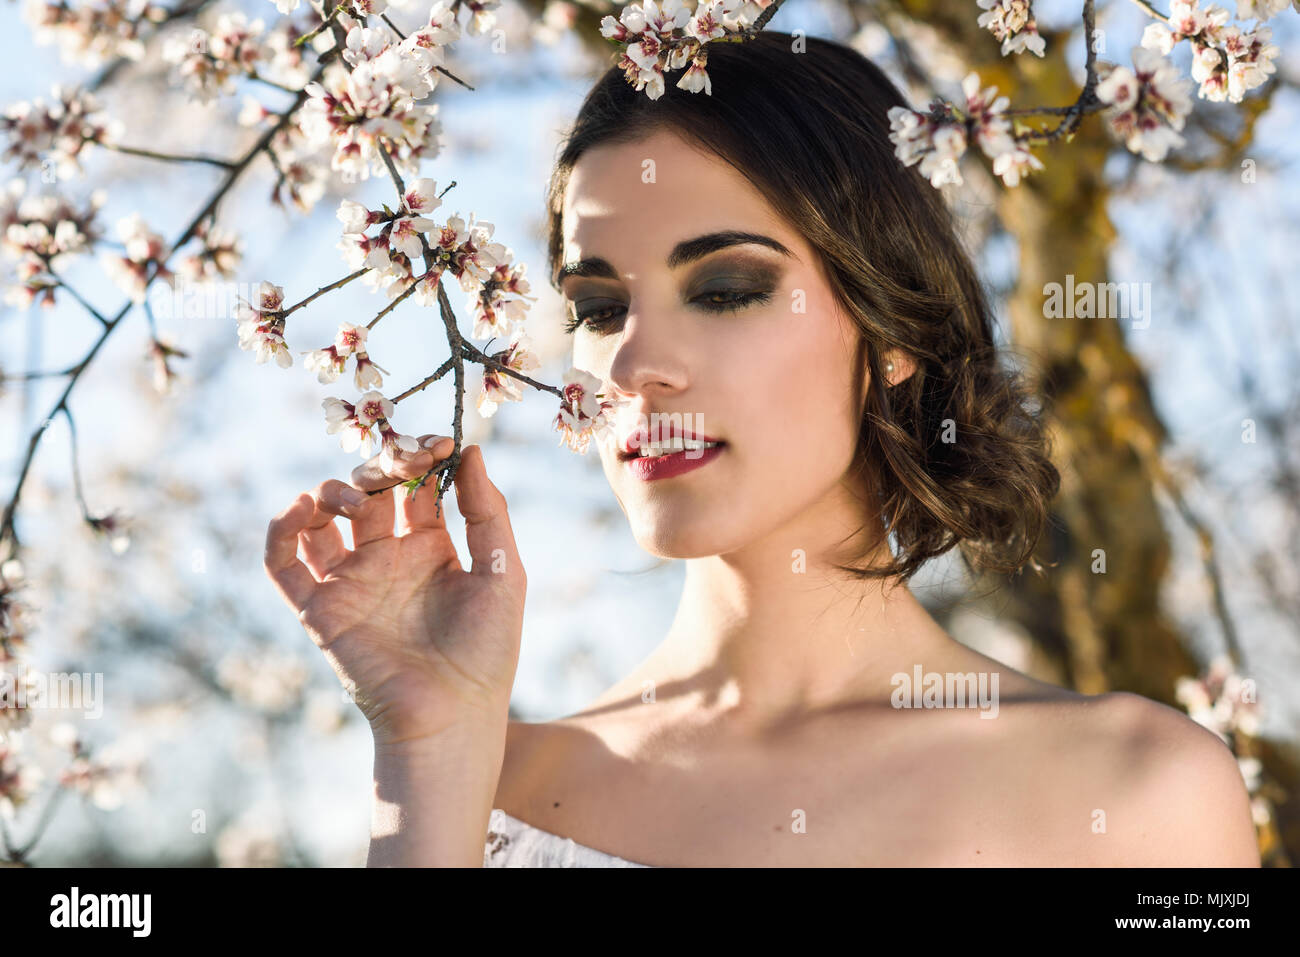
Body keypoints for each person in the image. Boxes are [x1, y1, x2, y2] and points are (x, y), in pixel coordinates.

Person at [263, 31, 1260, 867]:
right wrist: (430, 747)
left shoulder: (1138, 793)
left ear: (892, 327)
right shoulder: (490, 791)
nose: (636, 365)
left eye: (726, 288)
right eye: (599, 307)